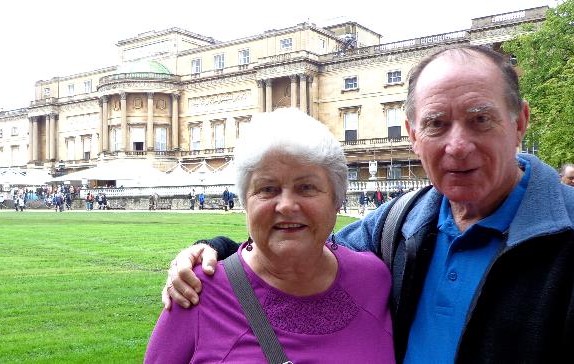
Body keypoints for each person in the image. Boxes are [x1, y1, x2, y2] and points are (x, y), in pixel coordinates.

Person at [161, 45, 574, 363]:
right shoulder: (399, 224)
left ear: (520, 122)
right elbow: (301, 240)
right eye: (436, 124)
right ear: (413, 134)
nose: (458, 145)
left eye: (480, 119)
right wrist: (215, 252)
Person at [145, 108, 394, 363]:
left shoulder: (374, 279)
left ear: (337, 200)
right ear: (245, 203)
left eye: (306, 187)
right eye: (267, 189)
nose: (286, 205)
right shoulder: (194, 293)